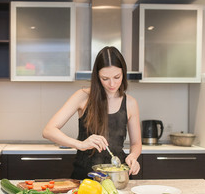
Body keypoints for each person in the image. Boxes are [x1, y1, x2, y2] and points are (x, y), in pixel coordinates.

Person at [42, 46, 142, 180]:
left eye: (117, 77)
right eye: (105, 78)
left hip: (117, 178)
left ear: (123, 73)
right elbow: (48, 131)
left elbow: (136, 143)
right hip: (84, 178)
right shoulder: (82, 96)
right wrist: (81, 144)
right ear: (97, 76)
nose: (112, 84)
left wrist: (133, 157)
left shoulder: (130, 103)